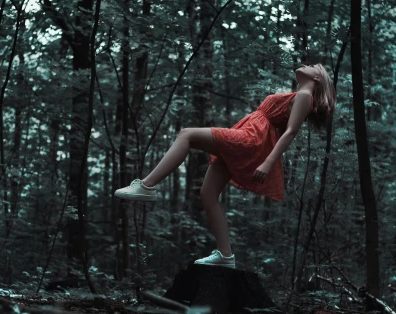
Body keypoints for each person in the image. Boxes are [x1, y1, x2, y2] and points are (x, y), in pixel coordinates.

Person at [114, 63, 336, 269]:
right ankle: (225, 256)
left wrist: (268, 163)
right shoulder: (300, 95)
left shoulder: (305, 96)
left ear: (317, 77)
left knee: (187, 134)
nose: (304, 65)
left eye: (310, 65)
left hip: (251, 139)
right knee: (208, 194)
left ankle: (147, 186)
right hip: (249, 134)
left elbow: (290, 132)